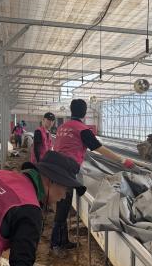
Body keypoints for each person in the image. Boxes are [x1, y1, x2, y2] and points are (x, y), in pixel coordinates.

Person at [51, 98, 135, 255]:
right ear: (84, 113)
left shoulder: (62, 127)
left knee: (64, 205)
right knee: (63, 208)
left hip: (56, 168)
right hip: (67, 171)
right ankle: (55, 244)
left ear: (71, 110)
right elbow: (98, 148)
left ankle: (63, 241)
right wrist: (122, 160)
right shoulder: (82, 129)